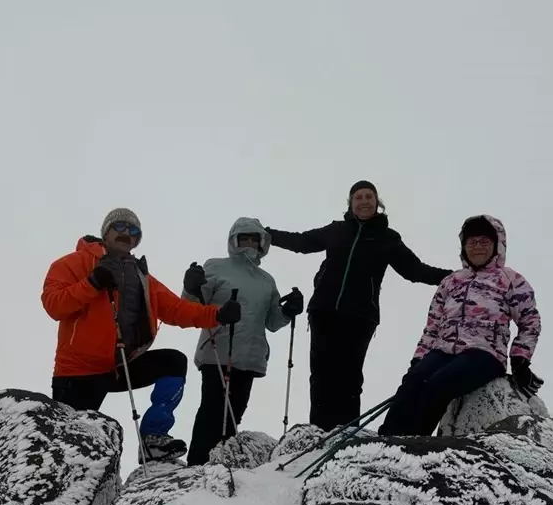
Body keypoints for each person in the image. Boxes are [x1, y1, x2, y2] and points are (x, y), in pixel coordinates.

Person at [42, 208, 241, 463]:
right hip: (78, 371)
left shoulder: (141, 277)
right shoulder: (73, 263)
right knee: (66, 448)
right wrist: (92, 282)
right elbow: (53, 304)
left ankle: (153, 439)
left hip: (121, 364)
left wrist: (218, 315)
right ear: (106, 231)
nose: (127, 234)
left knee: (174, 362)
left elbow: (176, 309)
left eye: (133, 231)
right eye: (120, 227)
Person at [265, 180, 450, 432]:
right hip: (324, 312)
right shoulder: (336, 230)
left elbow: (414, 271)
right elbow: (302, 243)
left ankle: (346, 433)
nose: (364, 201)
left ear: (377, 203)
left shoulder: (388, 238)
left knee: (349, 379)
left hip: (360, 317)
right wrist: (268, 235)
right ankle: (319, 433)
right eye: (358, 197)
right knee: (320, 377)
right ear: (351, 203)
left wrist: (454, 276)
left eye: (369, 197)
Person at [380, 215, 543, 436]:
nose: (477, 247)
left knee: (440, 383)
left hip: (485, 353)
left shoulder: (510, 279)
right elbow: (433, 326)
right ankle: (386, 440)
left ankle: (414, 441)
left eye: (484, 242)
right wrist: (419, 359)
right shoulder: (451, 281)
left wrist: (520, 359)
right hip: (443, 350)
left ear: (497, 245)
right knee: (413, 381)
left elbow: (529, 320)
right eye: (471, 242)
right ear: (463, 247)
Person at [181, 218, 304, 465]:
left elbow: (271, 321)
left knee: (234, 413)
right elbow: (191, 308)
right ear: (234, 240)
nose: (249, 242)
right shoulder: (215, 266)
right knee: (212, 411)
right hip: (217, 350)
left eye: (254, 238)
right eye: (244, 237)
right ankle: (197, 466)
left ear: (262, 243)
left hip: (251, 357)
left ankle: (220, 466)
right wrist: (191, 287)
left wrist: (289, 311)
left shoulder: (266, 280)